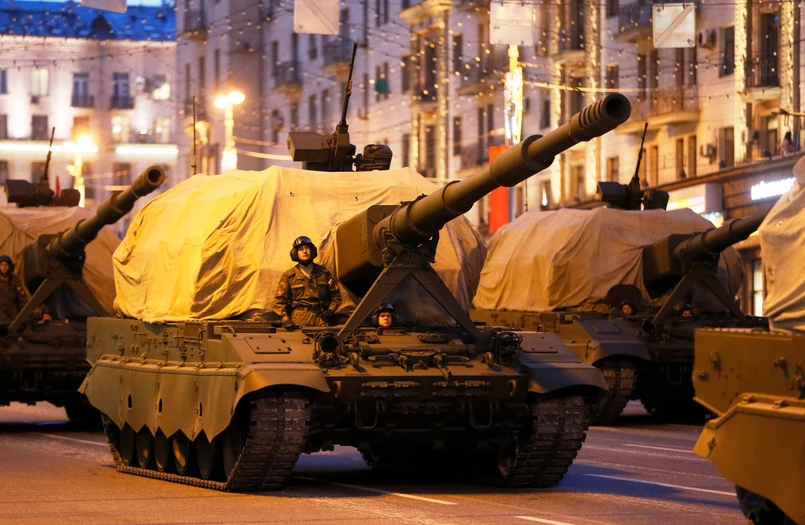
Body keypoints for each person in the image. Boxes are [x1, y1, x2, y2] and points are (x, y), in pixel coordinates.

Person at [272, 236, 342, 329]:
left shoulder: (323, 273)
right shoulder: (289, 275)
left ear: (312, 251)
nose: (305, 251)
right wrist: (285, 319)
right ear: (295, 253)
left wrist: (331, 309)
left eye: (307, 248)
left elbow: (336, 295)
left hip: (320, 318)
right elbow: (279, 301)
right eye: (301, 249)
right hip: (299, 319)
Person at [0, 255, 28, 323]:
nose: (4, 267)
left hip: (13, 313)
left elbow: (22, 298)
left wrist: (24, 314)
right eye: (1, 265)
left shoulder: (14, 280)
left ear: (9, 266)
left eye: (6, 265)